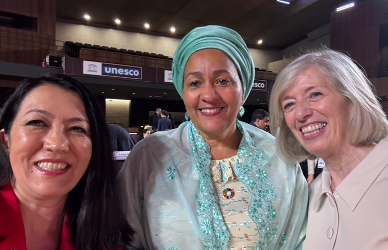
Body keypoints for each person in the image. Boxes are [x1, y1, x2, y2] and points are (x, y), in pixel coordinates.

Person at [120, 25, 307, 250]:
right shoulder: (150, 156)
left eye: (223, 81)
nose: (208, 95)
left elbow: (302, 239)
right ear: (183, 92)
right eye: (195, 83)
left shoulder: (279, 156)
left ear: (243, 89)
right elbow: (122, 239)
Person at [0, 75, 133, 249]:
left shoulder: (102, 234)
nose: (57, 145)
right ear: (6, 141)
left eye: (76, 129)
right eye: (37, 122)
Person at [269, 48, 388, 249]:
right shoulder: (310, 194)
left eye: (315, 94)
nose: (300, 113)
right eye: (289, 104)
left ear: (351, 98)